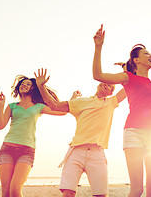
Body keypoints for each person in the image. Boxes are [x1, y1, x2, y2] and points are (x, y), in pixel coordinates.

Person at [92, 25, 151, 197]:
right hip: (134, 133)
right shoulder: (128, 78)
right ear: (136, 60)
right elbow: (98, 75)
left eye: (150, 54)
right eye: (146, 54)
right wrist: (98, 47)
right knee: (137, 189)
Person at [34, 68, 126, 197]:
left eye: (110, 85)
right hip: (76, 152)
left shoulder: (111, 103)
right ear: (99, 84)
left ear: (111, 92)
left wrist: (126, 70)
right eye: (104, 82)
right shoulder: (81, 102)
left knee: (101, 194)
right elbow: (55, 106)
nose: (106, 84)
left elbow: (129, 87)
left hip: (97, 153)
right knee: (68, 193)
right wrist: (41, 86)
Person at [0, 75, 66, 197]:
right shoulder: (12, 106)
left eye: (28, 84)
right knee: (6, 193)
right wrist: (1, 105)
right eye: (22, 84)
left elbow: (61, 111)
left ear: (33, 88)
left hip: (26, 151)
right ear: (18, 88)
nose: (24, 85)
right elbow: (0, 125)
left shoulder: (39, 107)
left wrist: (42, 86)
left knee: (15, 190)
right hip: (7, 149)